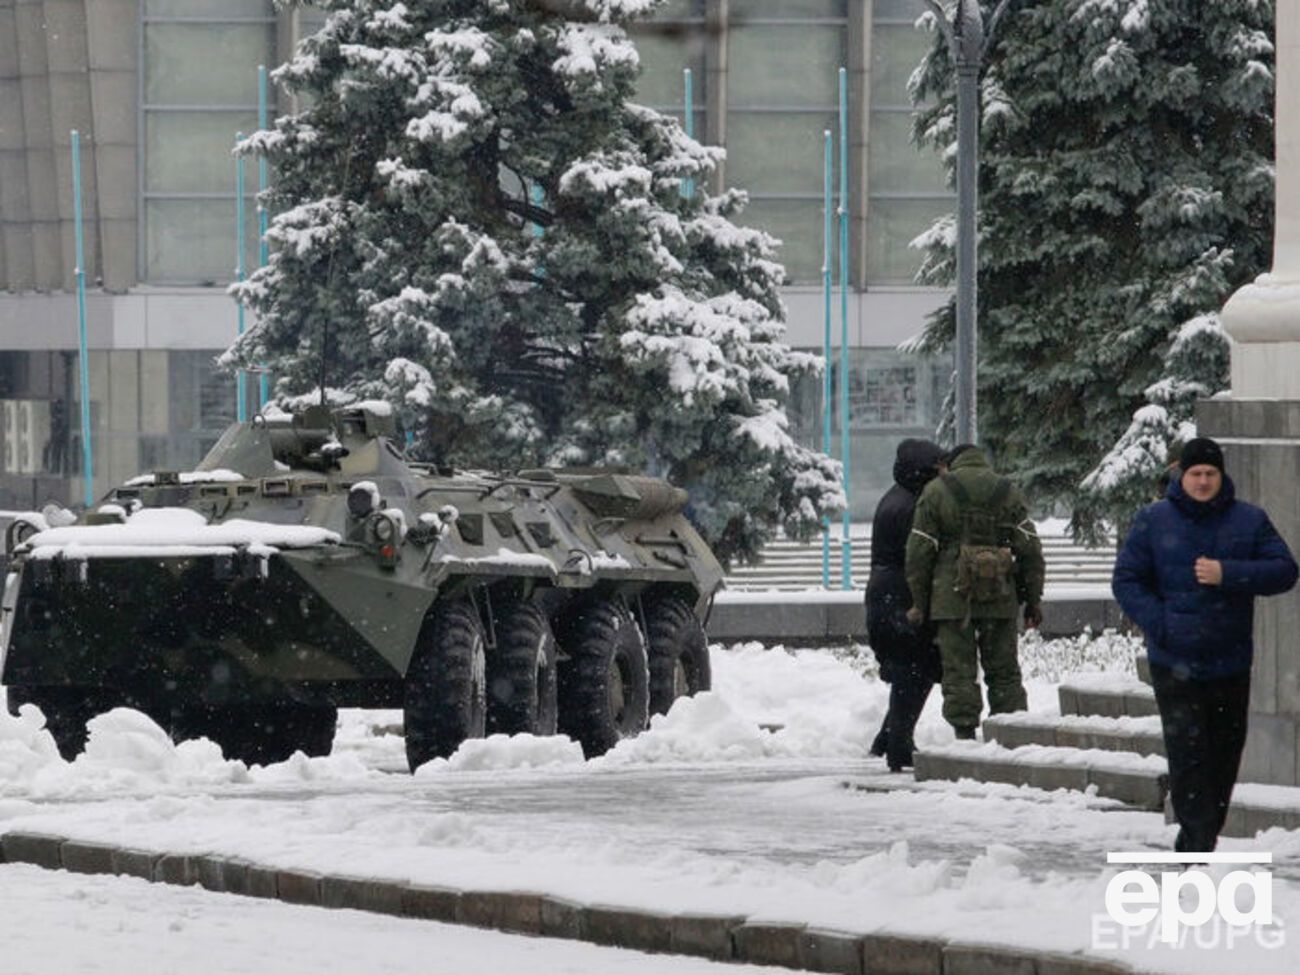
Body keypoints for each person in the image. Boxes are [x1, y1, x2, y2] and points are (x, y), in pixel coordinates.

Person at [1112, 436, 1297, 852]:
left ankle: (1197, 844)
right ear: (1182, 475)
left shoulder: (1248, 520)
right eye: (1195, 473)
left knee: (1224, 758)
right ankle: (1194, 851)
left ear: (1221, 475)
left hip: (1229, 661)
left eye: (1210, 473)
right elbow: (1126, 579)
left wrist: (1227, 573)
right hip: (1174, 661)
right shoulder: (1154, 520)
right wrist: (1162, 624)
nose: (1202, 481)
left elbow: (1285, 570)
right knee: (1188, 757)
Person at [904, 444, 1045, 739]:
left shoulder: (935, 491)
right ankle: (1012, 735)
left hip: (952, 597)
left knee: (959, 671)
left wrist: (919, 602)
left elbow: (919, 552)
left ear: (951, 463)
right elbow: (1030, 550)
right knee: (1004, 670)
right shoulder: (1008, 491)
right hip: (1000, 595)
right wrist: (1033, 600)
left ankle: (964, 731)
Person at [865, 439, 945, 771]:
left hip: (885, 591)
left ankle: (888, 738)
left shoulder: (894, 497)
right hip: (902, 594)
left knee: (908, 669)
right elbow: (920, 554)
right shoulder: (915, 504)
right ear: (924, 468)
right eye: (939, 466)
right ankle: (898, 745)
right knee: (916, 669)